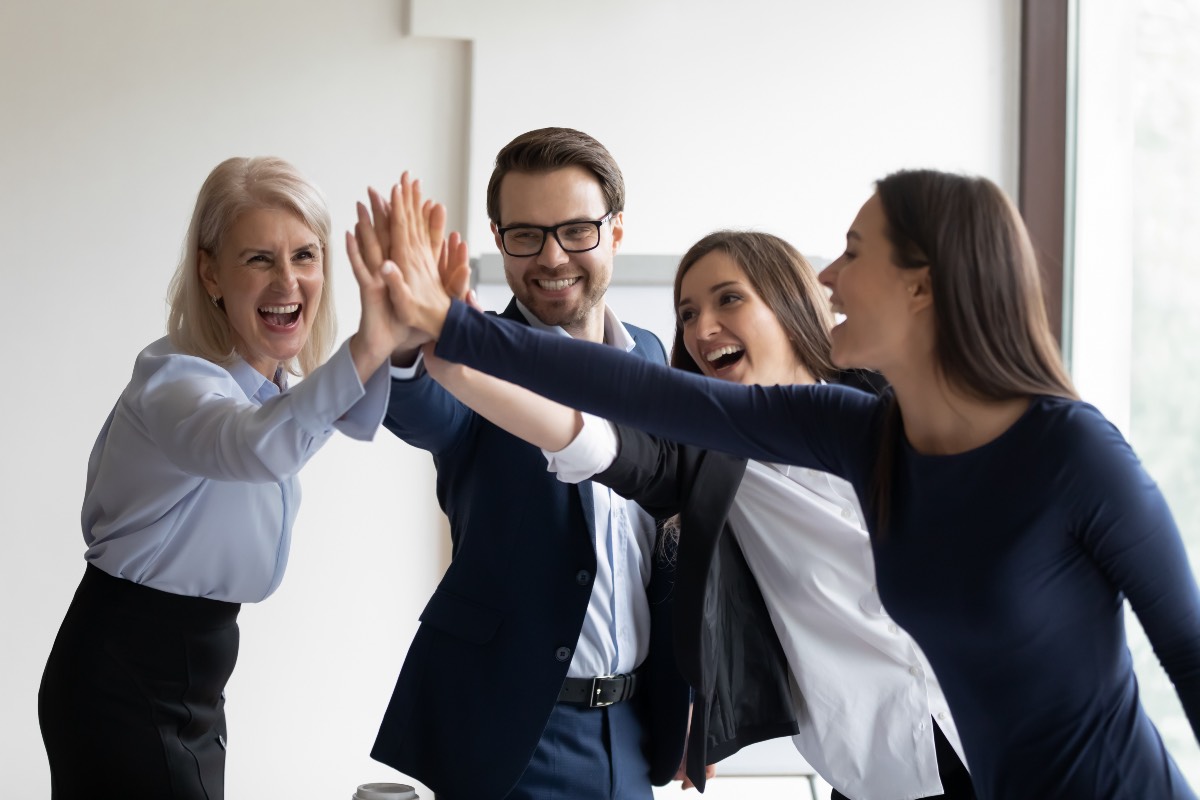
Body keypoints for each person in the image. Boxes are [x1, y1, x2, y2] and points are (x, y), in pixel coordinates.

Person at [386, 168, 1200, 800]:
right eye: (686, 311)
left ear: (922, 285)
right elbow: (632, 401)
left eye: (852, 251)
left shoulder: (1067, 448)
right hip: (882, 771)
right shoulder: (844, 435)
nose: (831, 274)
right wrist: (454, 330)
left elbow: (1189, 651)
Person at [414, 229, 974, 799]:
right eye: (687, 312)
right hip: (882, 771)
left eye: (728, 299)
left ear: (788, 300)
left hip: (1002, 731)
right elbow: (588, 441)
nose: (702, 329)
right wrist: (461, 366)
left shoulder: (903, 403)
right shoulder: (707, 462)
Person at [37, 156, 415, 800]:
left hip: (195, 672)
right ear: (210, 271)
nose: (288, 281)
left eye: (305, 255)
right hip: (124, 670)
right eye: (259, 260)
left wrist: (399, 331)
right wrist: (370, 341)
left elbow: (328, 419)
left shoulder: (272, 393)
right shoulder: (174, 383)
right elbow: (255, 448)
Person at [365, 130, 690, 800]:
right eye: (525, 235)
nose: (551, 257)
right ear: (498, 237)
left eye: (575, 230)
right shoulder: (476, 353)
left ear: (616, 232)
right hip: (516, 736)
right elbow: (426, 409)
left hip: (632, 732)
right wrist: (404, 349)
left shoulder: (654, 358)